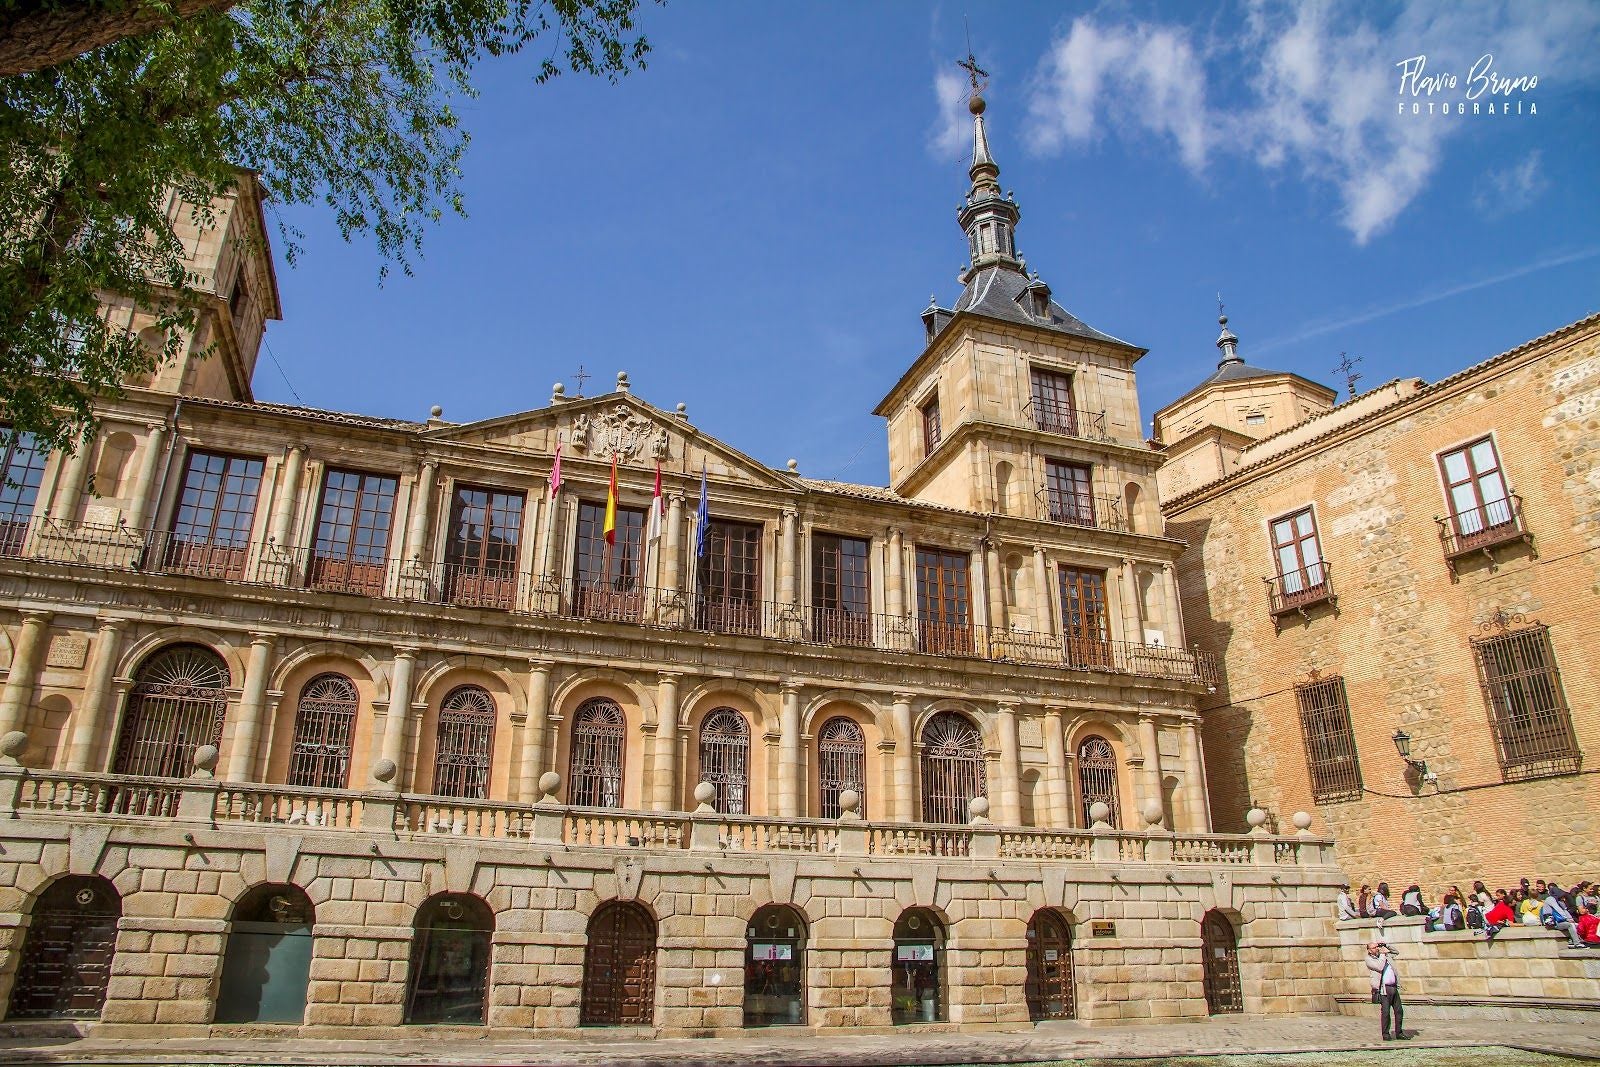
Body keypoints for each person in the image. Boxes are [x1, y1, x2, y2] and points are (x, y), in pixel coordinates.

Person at [1365, 940, 1408, 1040]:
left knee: (1399, 1011)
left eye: (1377, 946)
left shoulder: (1385, 955)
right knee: (1386, 1013)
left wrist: (1386, 945)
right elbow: (1379, 967)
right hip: (1383, 989)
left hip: (1393, 987)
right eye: (1374, 947)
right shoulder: (1369, 959)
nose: (1377, 948)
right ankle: (1386, 1034)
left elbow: (1396, 952)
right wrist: (1383, 955)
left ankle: (1399, 1033)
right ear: (1369, 950)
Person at [1541, 884, 1584, 948]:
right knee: (1569, 925)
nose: (1563, 898)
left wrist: (1571, 919)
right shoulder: (1550, 899)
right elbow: (1558, 909)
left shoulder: (1558, 900)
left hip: (1560, 920)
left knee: (1576, 924)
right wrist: (1567, 919)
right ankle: (1577, 943)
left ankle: (1571, 941)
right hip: (1552, 922)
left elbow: (1565, 910)